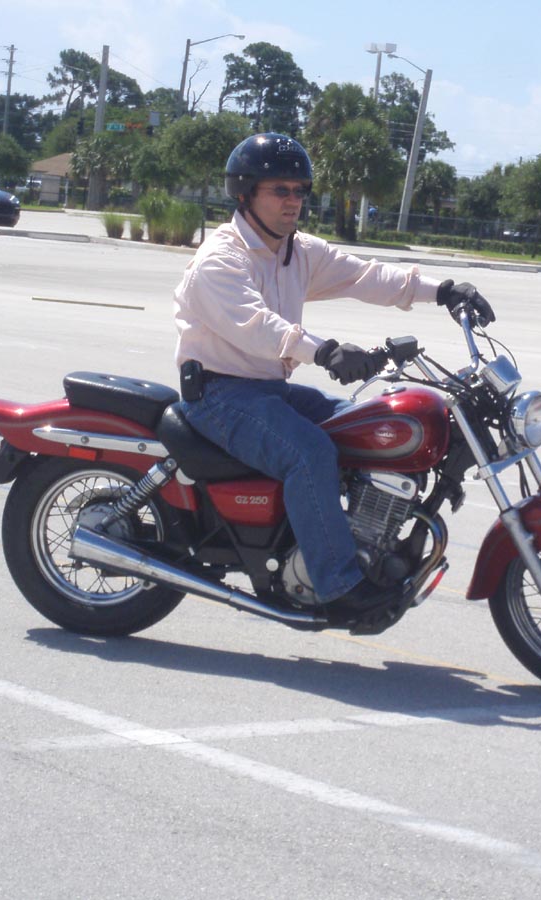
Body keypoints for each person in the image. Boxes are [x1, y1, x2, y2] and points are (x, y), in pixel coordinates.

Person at [173, 132, 494, 613]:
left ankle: (358, 541)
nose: (294, 201)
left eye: (300, 190)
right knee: (310, 452)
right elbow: (257, 326)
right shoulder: (220, 260)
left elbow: (365, 275)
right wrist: (323, 352)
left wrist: (444, 291)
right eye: (280, 190)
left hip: (267, 390)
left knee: (367, 425)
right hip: (220, 396)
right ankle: (338, 586)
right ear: (245, 193)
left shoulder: (295, 251)